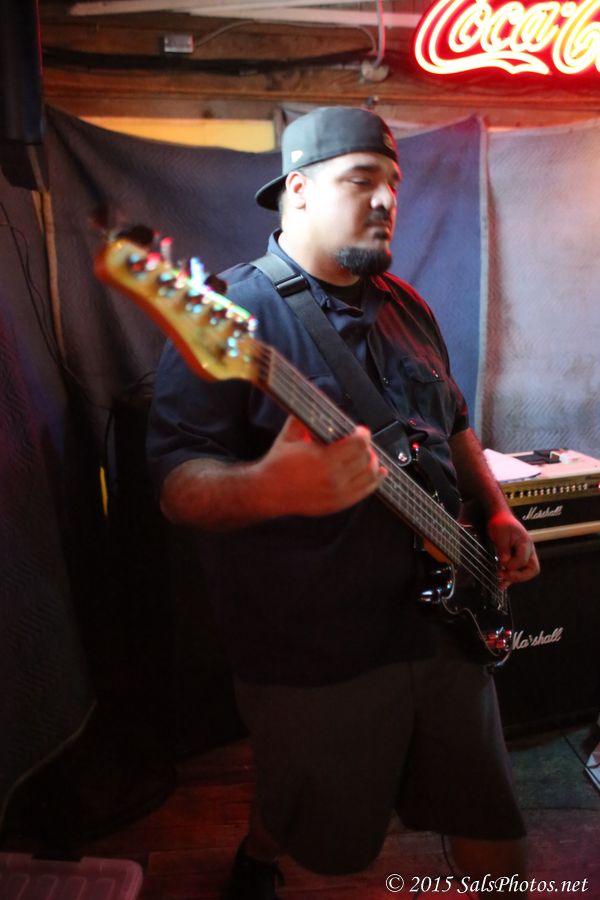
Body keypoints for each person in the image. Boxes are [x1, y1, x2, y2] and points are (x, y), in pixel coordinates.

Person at [146, 106, 540, 900]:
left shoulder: (407, 304)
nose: (388, 199)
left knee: (494, 827)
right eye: (362, 180)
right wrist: (269, 486)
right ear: (297, 189)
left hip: (447, 626)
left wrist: (495, 512)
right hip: (317, 652)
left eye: (394, 182)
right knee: (310, 825)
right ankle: (259, 856)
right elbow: (175, 483)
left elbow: (454, 423)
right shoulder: (230, 309)